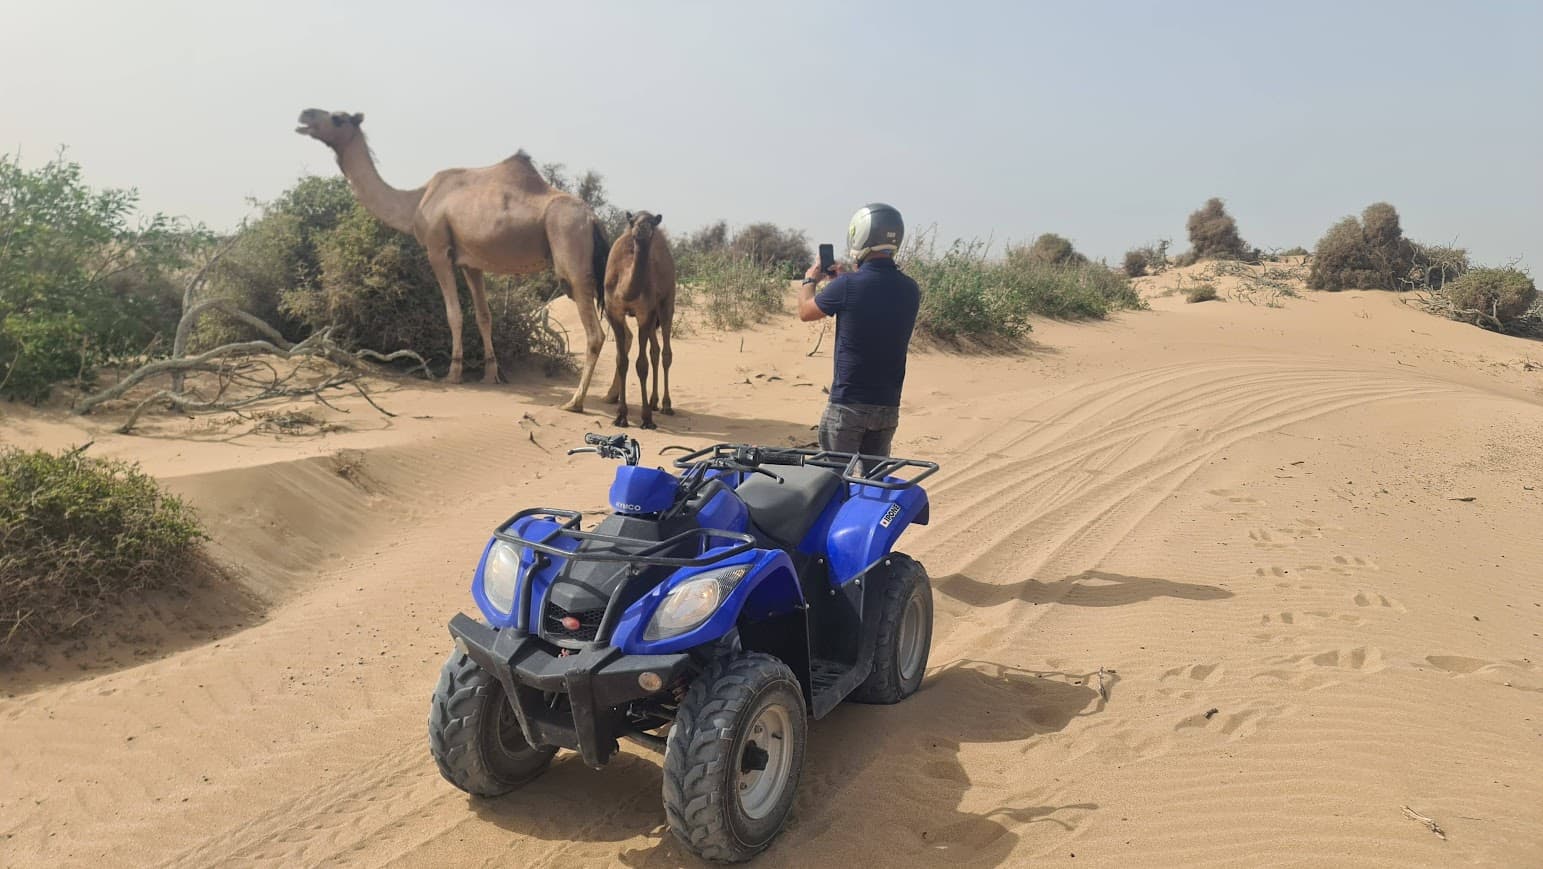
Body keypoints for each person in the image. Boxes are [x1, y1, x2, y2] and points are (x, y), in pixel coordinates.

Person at [798, 203, 920, 457]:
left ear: (860, 235)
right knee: (875, 486)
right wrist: (846, 279)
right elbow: (873, 296)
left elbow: (806, 312)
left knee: (833, 482)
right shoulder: (910, 288)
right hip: (887, 407)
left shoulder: (846, 286)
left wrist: (810, 280)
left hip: (848, 406)